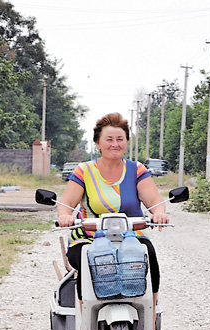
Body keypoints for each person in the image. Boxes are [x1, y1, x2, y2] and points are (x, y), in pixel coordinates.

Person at [57, 112, 170, 301]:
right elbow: (66, 203)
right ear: (98, 143)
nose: (115, 144)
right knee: (86, 260)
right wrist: (65, 216)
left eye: (120, 139)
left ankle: (150, 317)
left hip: (132, 236)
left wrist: (159, 213)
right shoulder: (84, 171)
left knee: (148, 254)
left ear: (126, 141)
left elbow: (155, 201)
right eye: (109, 139)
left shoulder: (137, 170)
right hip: (88, 237)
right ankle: (83, 324)